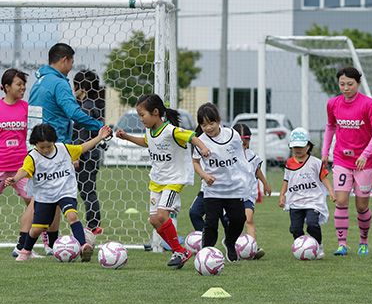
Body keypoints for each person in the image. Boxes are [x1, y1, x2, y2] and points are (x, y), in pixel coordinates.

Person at [115, 94, 209, 269]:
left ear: (156, 112)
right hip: (157, 180)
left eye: (142, 115)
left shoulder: (171, 130)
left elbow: (191, 136)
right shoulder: (151, 132)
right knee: (153, 220)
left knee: (162, 216)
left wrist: (203, 147)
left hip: (173, 180)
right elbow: (146, 142)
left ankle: (179, 251)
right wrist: (127, 137)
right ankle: (179, 251)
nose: (141, 119)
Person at [28, 43, 105, 252]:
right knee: (44, 199)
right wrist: (100, 128)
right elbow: (73, 113)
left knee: (47, 197)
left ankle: (50, 245)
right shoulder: (59, 83)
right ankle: (23, 245)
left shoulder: (39, 81)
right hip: (54, 149)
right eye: (71, 62)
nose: (71, 67)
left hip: (39, 146)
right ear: (65, 60)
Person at [7, 123, 112, 261]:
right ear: (34, 144)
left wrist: (99, 137)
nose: (45, 150)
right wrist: (15, 179)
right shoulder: (33, 157)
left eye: (49, 146)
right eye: (41, 147)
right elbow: (25, 170)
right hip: (44, 196)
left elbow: (83, 147)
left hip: (65, 192)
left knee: (72, 216)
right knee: (37, 229)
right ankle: (25, 250)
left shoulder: (64, 149)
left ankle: (83, 246)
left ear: (54, 142)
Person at [321, 66, 372, 256]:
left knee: (361, 206)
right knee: (341, 201)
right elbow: (330, 127)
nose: (346, 88)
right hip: (341, 159)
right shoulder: (333, 103)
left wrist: (365, 154)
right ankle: (342, 244)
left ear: (358, 83)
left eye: (350, 84)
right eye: (342, 84)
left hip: (365, 163)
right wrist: (325, 152)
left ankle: (363, 242)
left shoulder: (369, 104)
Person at [194, 102, 252, 263]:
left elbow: (240, 156)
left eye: (211, 123)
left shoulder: (232, 135)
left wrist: (243, 174)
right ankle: (207, 254)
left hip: (233, 188)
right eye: (203, 124)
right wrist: (204, 175)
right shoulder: (200, 141)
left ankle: (230, 242)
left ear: (219, 120)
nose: (208, 128)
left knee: (239, 219)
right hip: (213, 190)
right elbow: (195, 163)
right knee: (211, 223)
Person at [0, 69, 43, 258]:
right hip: (1, 166)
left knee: (36, 203)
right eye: (18, 84)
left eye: (24, 84)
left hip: (22, 167)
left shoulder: (27, 108)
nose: (23, 87)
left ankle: (24, 247)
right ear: (6, 87)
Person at [279, 127, 336, 260]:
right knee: (295, 228)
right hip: (295, 201)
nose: (298, 149)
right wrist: (282, 195)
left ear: (308, 145)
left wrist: (331, 191)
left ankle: (319, 246)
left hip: (313, 201)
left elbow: (324, 178)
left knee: (312, 224)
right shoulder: (289, 163)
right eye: (295, 146)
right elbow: (286, 180)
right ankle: (300, 248)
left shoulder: (315, 163)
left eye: (301, 146)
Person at [72, 70, 105, 235]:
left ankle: (93, 225)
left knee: (87, 191)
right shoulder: (94, 104)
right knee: (88, 189)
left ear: (82, 87)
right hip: (93, 154)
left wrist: (76, 155)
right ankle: (93, 224)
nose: (73, 88)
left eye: (75, 85)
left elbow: (82, 135)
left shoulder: (86, 107)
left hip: (85, 156)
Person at [232, 123, 272, 260]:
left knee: (248, 219)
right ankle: (232, 247)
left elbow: (257, 170)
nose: (244, 146)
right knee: (232, 222)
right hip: (232, 194)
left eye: (246, 142)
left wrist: (265, 183)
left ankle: (252, 249)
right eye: (241, 143)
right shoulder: (229, 156)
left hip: (248, 194)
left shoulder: (252, 156)